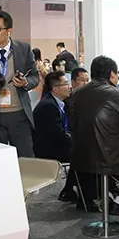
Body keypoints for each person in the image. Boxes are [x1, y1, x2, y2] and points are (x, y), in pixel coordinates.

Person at [67, 55, 119, 217]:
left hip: (82, 156)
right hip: (110, 157)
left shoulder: (76, 94)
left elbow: (73, 126)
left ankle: (107, 194)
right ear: (111, 74)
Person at [0, 10, 39, 157]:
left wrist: (25, 82)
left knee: (26, 157)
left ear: (9, 31)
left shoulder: (23, 49)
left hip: (18, 114)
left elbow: (35, 76)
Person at [33, 71, 76, 202]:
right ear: (56, 89)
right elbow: (58, 135)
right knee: (84, 154)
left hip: (57, 144)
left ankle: (71, 189)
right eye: (66, 84)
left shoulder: (59, 102)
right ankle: (74, 191)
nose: (69, 87)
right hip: (50, 149)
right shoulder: (48, 106)